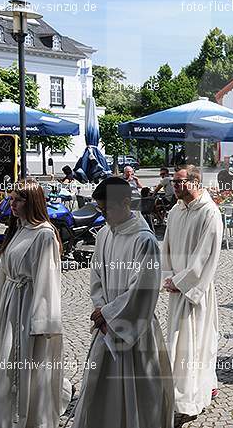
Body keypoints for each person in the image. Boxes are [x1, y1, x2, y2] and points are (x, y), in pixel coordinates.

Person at [71, 177, 174, 428]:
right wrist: (100, 308)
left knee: (138, 396)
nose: (104, 215)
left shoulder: (144, 240)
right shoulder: (105, 233)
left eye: (108, 209)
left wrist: (109, 314)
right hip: (106, 327)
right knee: (101, 392)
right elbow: (96, 276)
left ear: (126, 202)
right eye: (101, 209)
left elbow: (144, 289)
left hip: (134, 332)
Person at [0, 180, 71, 427]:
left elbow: (48, 280)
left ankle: (27, 418)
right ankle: (3, 416)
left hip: (29, 306)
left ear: (32, 202)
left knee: (24, 361)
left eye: (18, 200)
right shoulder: (19, 230)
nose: (13, 204)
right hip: (12, 304)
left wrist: (44, 321)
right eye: (11, 199)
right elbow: (3, 271)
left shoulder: (44, 235)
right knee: (6, 358)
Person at [161, 165, 223, 424]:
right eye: (172, 182)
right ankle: (177, 394)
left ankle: (189, 399)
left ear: (195, 182)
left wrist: (183, 282)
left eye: (178, 182)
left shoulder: (209, 212)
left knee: (194, 344)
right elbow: (165, 245)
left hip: (195, 292)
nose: (173, 186)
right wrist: (168, 276)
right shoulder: (176, 210)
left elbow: (206, 255)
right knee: (177, 345)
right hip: (177, 289)